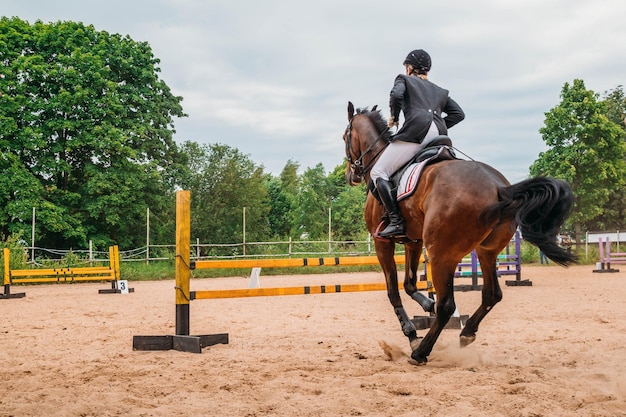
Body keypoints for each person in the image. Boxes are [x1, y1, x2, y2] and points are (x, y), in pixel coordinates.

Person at [371, 49, 465, 238]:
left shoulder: (403, 79)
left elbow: (396, 95)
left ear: (410, 68)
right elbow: (459, 114)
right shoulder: (440, 91)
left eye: (407, 66)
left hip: (415, 133)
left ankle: (396, 221)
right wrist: (436, 126)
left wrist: (394, 118)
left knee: (378, 172)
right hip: (439, 135)